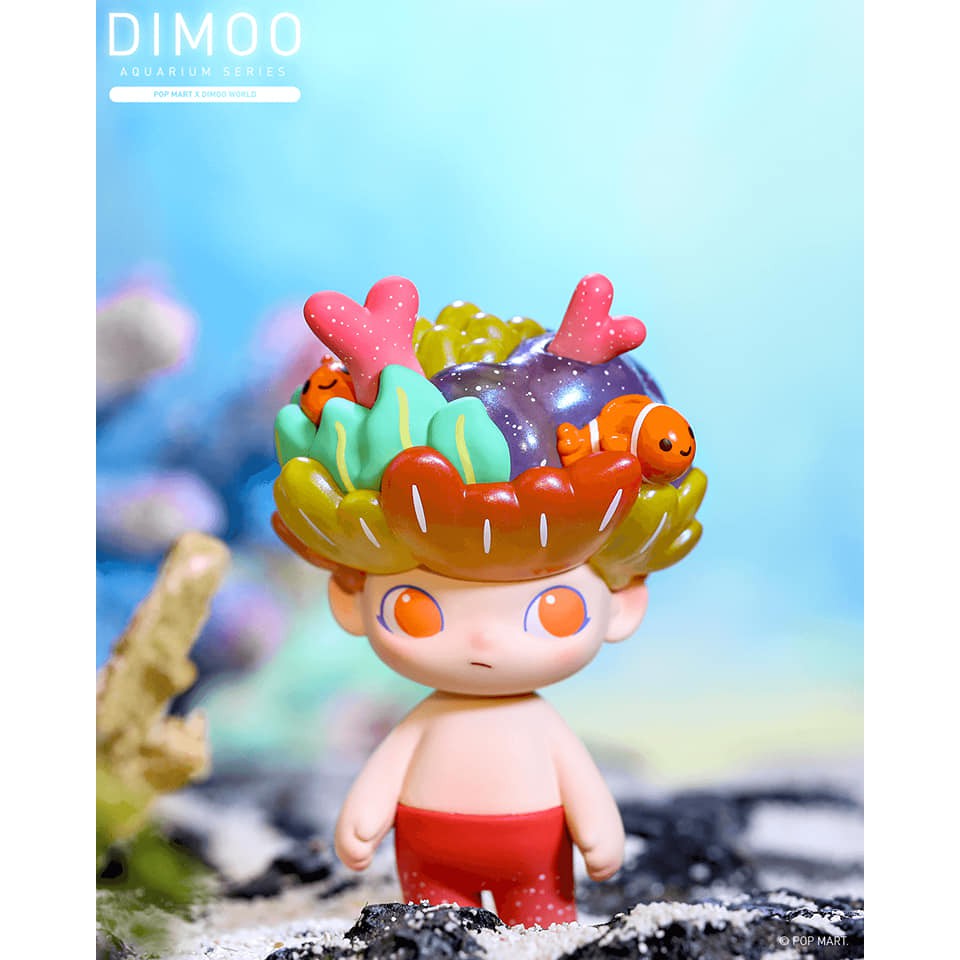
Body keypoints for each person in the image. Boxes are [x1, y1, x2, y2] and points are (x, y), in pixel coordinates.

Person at [271, 274, 707, 927]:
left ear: (621, 605)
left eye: (553, 610)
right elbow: (386, 771)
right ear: (351, 598)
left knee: (543, 923)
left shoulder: (537, 724)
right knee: (433, 926)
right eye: (417, 607)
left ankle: (543, 918)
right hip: (430, 859)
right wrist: (364, 817)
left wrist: (597, 829)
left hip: (536, 861)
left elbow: (579, 781)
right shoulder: (424, 722)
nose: (483, 640)